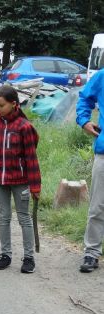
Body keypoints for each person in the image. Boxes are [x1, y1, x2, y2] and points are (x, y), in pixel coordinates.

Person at [0, 85, 41, 273]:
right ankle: (5, 255)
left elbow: (32, 158)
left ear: (13, 104)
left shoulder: (25, 127)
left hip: (21, 181)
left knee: (24, 218)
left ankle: (29, 258)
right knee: (3, 217)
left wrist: (35, 185)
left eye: (1, 106)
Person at [76, 68, 104, 273]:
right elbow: (84, 98)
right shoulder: (102, 76)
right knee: (98, 206)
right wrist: (83, 120)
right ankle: (91, 252)